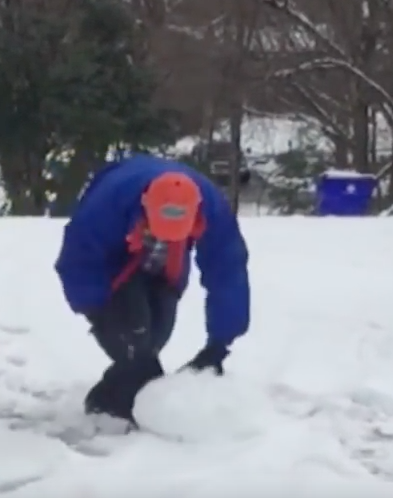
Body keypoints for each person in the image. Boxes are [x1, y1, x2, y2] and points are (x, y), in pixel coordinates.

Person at [54, 154, 251, 428]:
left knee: (156, 333)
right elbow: (78, 262)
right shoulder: (108, 203)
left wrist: (219, 343)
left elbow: (228, 270)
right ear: (146, 205)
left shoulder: (212, 208)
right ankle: (117, 404)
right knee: (131, 336)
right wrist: (99, 312)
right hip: (115, 260)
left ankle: (117, 395)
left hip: (165, 265)